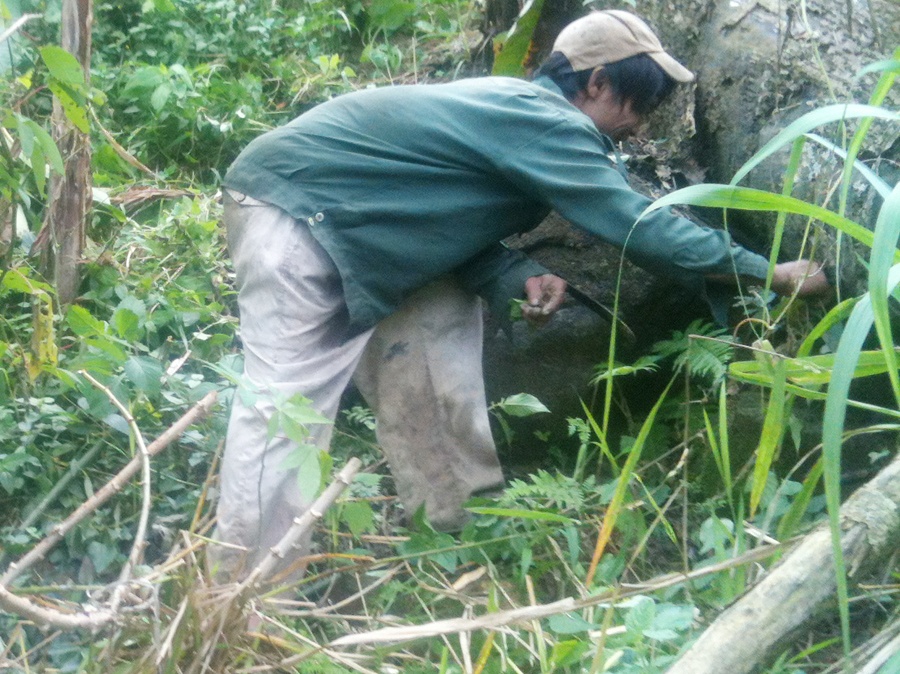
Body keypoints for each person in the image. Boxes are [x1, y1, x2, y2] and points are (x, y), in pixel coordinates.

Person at [209, 10, 828, 580]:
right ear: (597, 82)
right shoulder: (543, 117)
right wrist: (767, 271)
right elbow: (640, 226)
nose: (640, 124)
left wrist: (511, 274)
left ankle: (453, 535)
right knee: (285, 410)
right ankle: (243, 592)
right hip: (298, 212)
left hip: (350, 219)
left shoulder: (510, 111)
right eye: (638, 103)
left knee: (439, 329)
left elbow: (425, 203)